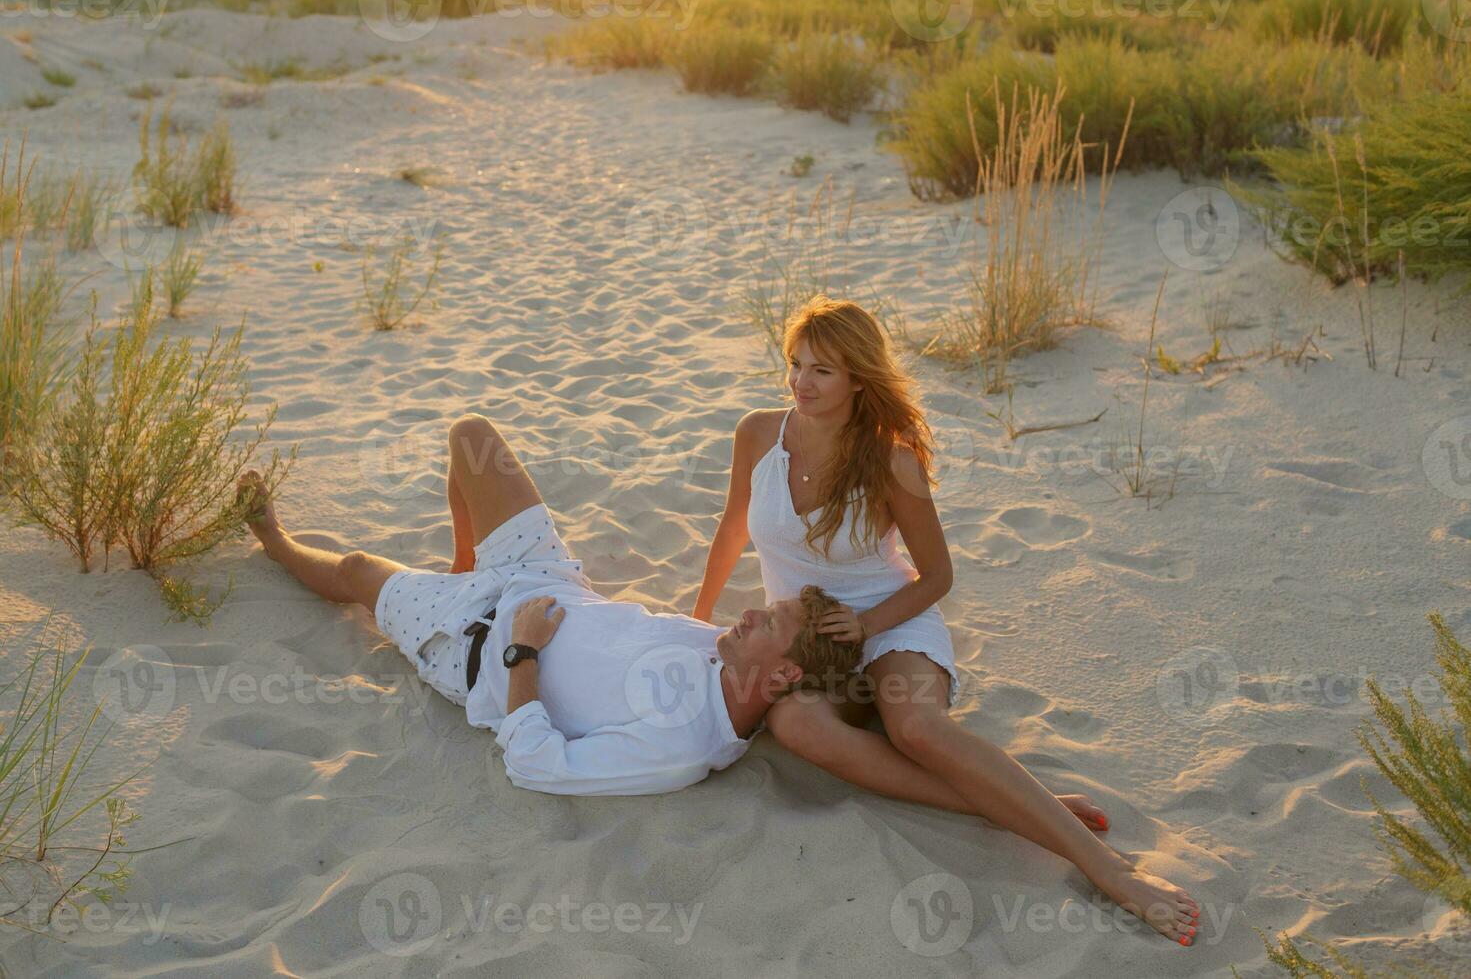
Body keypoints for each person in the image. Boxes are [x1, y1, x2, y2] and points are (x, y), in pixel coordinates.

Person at [691, 296, 1201, 946]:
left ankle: (1107, 869)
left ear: (857, 379)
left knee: (916, 728)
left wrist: (870, 623)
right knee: (794, 724)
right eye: (794, 364)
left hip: (889, 621)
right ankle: (1026, 807)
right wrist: (697, 618)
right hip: (804, 639)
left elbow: (937, 576)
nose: (800, 382)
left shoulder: (891, 458)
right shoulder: (757, 434)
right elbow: (733, 527)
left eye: (821, 370)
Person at [233, 411, 860, 797]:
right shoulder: (725, 652)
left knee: (358, 570)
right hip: (546, 576)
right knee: (472, 438)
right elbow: (830, 684)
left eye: (768, 621)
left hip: (476, 648)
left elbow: (538, 766)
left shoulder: (682, 747)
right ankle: (461, 568)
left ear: (782, 673)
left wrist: (522, 652)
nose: (749, 611)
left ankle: (277, 542)